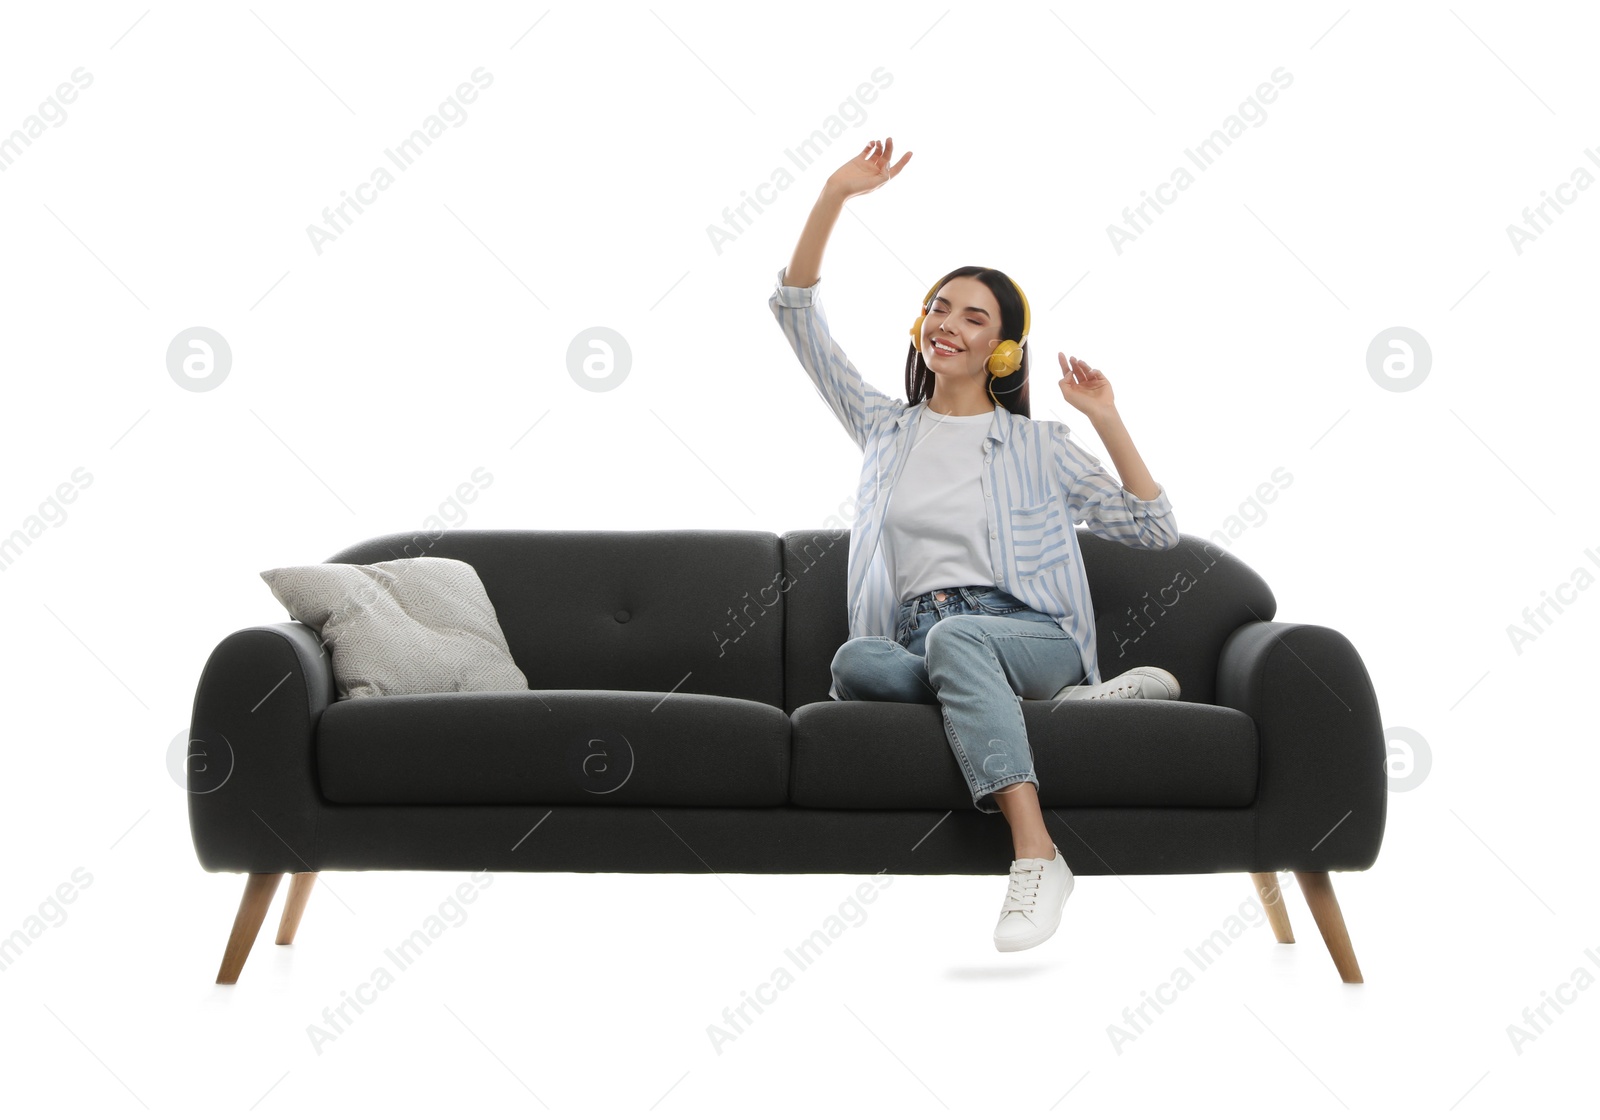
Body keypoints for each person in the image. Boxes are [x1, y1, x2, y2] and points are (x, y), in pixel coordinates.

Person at [769, 137, 1183, 953]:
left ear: (1003, 349)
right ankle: (1050, 718)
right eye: (939, 306)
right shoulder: (885, 429)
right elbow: (796, 315)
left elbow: (1154, 528)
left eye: (974, 315)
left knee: (962, 636)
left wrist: (1106, 417)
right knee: (856, 662)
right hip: (926, 640)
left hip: (1027, 636)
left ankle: (1035, 853)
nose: (948, 323)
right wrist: (832, 196)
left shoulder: (1037, 446)